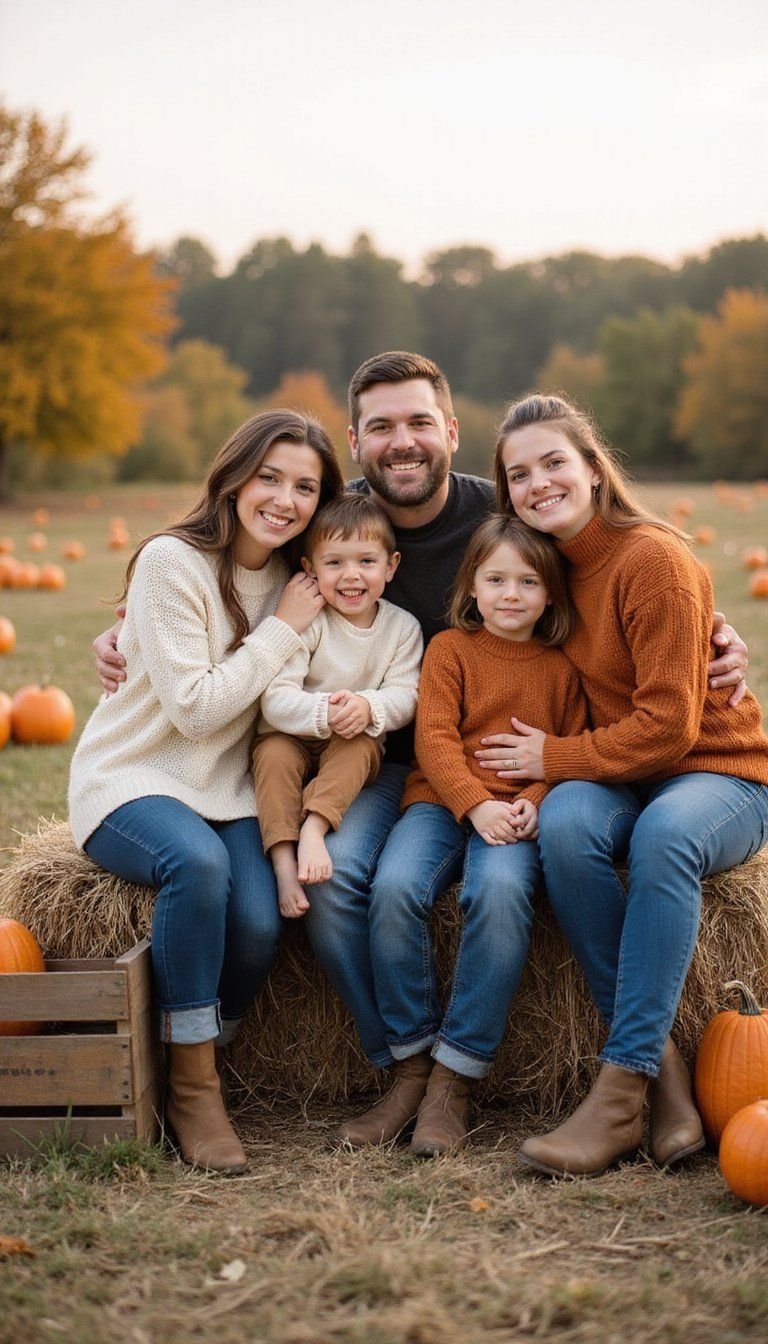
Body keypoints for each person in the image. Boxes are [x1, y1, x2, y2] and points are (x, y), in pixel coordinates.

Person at [92, 353, 751, 1149]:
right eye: (380, 428)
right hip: (392, 768)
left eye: (417, 423)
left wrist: (712, 635)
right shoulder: (332, 520)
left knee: (542, 863)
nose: (401, 442)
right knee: (337, 886)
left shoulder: (510, 522)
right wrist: (130, 626)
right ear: (357, 442)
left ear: (450, 432)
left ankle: (615, 1075)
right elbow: (227, 566)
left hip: (529, 766)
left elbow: (638, 603)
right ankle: (408, 1065)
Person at [477, 393, 768, 1177]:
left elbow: (671, 729)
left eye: (554, 463)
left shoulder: (654, 560)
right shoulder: (545, 574)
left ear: (594, 469)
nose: (538, 483)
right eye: (519, 474)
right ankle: (663, 1077)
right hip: (622, 775)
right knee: (568, 827)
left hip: (716, 773)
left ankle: (618, 1089)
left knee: (664, 837)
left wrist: (552, 759)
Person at [69, 409, 344, 1172]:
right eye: (270, 477)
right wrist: (283, 630)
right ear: (234, 477)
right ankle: (194, 1090)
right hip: (134, 777)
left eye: (305, 487)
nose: (285, 499)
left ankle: (193, 1041)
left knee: (257, 922)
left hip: (229, 789)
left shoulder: (301, 579)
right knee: (199, 869)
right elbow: (193, 713)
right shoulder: (172, 563)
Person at [354, 514, 589, 1156]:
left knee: (501, 895)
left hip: (514, 818)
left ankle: (454, 1078)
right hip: (441, 802)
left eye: (528, 582)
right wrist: (474, 803)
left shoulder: (564, 667)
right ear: (472, 586)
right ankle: (412, 1061)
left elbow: (567, 747)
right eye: (496, 579)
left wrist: (536, 800)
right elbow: (432, 740)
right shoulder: (450, 650)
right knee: (395, 887)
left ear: (551, 595)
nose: (511, 594)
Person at [251, 492, 423, 918]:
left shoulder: (402, 629)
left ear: (391, 565)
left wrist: (369, 708)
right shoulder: (308, 621)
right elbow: (275, 698)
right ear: (310, 569)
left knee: (362, 745)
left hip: (351, 741)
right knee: (271, 755)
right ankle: (284, 860)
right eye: (334, 563)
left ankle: (315, 826)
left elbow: (408, 694)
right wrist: (323, 710)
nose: (352, 575)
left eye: (366, 561)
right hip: (292, 736)